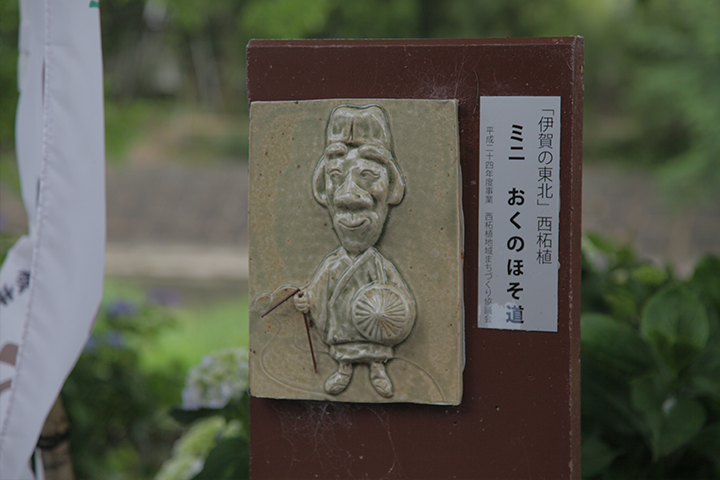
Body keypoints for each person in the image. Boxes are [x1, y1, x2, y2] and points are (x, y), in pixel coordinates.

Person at [293, 104, 416, 398]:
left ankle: (378, 369)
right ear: (322, 189)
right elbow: (317, 291)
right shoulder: (333, 264)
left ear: (393, 187)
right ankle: (344, 370)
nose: (350, 195)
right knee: (345, 355)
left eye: (368, 176)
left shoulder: (379, 265)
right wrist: (306, 299)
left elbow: (401, 300)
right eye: (336, 175)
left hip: (374, 331)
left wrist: (392, 313)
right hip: (343, 334)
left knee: (376, 348)